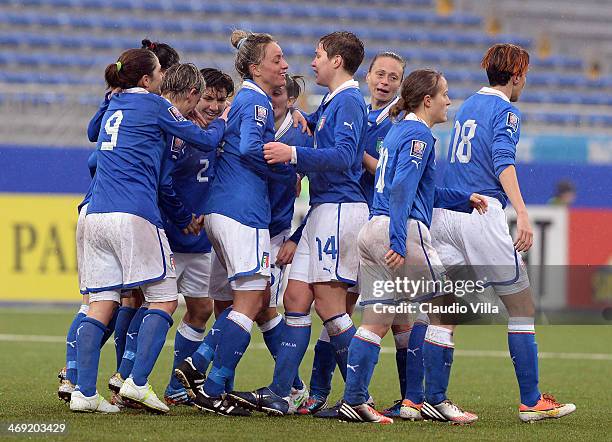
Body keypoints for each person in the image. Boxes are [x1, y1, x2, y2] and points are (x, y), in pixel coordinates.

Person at [426, 43, 576, 423]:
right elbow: (502, 160)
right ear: (516, 76)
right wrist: (522, 212)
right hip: (481, 211)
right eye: (524, 74)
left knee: (445, 310)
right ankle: (531, 401)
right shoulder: (507, 110)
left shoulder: (466, 106)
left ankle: (432, 399)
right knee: (522, 307)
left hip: (447, 212)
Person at [70, 50, 223, 414]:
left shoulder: (114, 101)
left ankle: (83, 392)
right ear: (146, 80)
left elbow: (92, 133)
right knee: (165, 297)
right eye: (158, 72)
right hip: (133, 214)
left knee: (101, 303)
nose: (161, 76)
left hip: (95, 214)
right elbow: (200, 138)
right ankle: (137, 384)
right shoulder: (155, 105)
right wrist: (223, 121)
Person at [229, 31, 370, 416]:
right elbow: (325, 135)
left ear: (337, 61)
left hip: (340, 207)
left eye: (318, 54)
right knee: (294, 299)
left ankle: (359, 397)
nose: (312, 62)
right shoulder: (333, 101)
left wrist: (292, 152)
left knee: (329, 305)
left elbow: (344, 157)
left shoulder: (351, 101)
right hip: (321, 210)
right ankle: (281, 392)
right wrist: (302, 119)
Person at [336, 69, 488, 423]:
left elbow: (420, 190)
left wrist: (464, 200)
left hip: (372, 228)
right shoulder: (420, 135)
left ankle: (355, 400)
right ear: (427, 100)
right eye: (445, 93)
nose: (449, 100)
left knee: (375, 320)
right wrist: (400, 241)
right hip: (399, 227)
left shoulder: (396, 132)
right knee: (446, 307)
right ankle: (434, 399)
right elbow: (403, 189)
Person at [175, 29, 294, 416]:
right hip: (243, 212)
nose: (285, 65)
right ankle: (207, 379)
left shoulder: (245, 99)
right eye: (277, 59)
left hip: (222, 211)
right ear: (256, 68)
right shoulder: (256, 102)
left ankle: (201, 368)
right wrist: (289, 164)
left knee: (243, 299)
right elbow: (248, 148)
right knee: (253, 299)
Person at [162, 67, 235, 406]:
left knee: (201, 308)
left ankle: (177, 385)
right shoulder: (179, 132)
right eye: (209, 97)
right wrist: (180, 217)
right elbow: (162, 183)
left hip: (200, 238)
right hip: (169, 233)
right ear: (194, 95)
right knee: (141, 306)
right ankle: (126, 378)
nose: (215, 106)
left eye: (221, 100)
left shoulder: (221, 135)